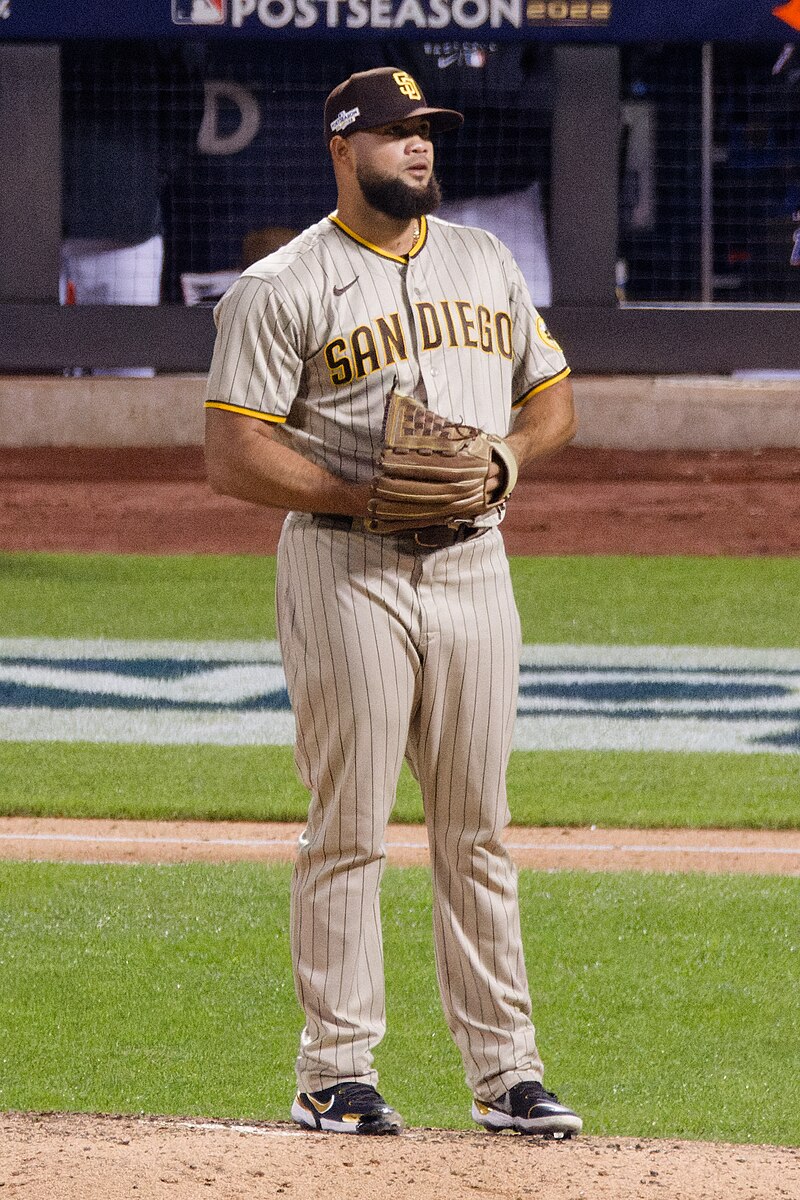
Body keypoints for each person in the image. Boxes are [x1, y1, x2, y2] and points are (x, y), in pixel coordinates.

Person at [204, 66, 582, 1139]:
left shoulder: (483, 257)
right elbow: (231, 454)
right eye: (392, 133)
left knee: (476, 830)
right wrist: (357, 491)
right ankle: (333, 1072)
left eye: (424, 133)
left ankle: (506, 1074)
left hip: (474, 566)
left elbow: (551, 399)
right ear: (341, 147)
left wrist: (505, 460)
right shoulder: (282, 284)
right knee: (349, 825)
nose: (416, 148)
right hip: (343, 570)